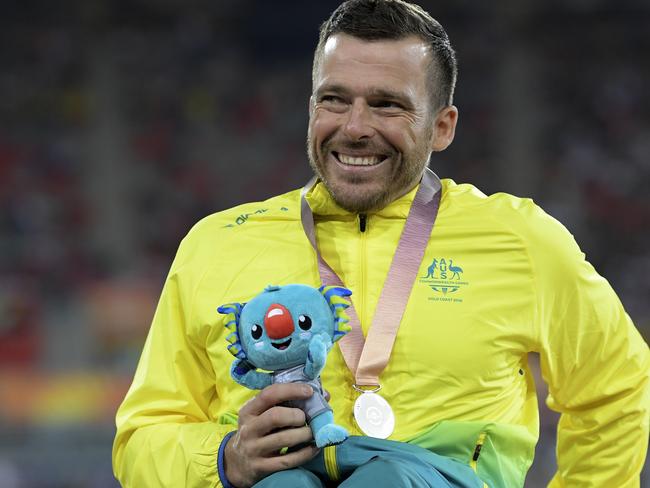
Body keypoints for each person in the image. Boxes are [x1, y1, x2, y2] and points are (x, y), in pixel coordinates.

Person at [112, 1, 650, 487]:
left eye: (388, 105)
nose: (355, 127)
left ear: (442, 127)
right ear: (311, 109)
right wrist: (224, 459)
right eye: (335, 100)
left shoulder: (522, 240)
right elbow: (143, 438)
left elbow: (616, 391)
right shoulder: (216, 244)